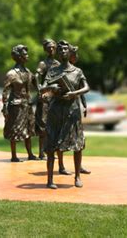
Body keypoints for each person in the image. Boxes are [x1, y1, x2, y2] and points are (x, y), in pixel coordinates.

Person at [41, 40, 90, 189]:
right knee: (51, 145)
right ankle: (50, 180)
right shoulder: (53, 71)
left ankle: (77, 176)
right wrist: (51, 87)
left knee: (77, 145)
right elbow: (42, 89)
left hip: (72, 111)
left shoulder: (77, 71)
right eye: (60, 50)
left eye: (65, 50)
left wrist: (74, 93)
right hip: (56, 112)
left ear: (70, 53)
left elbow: (86, 87)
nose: (62, 52)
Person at [57, 44, 91, 175]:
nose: (76, 57)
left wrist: (82, 102)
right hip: (59, 109)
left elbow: (84, 89)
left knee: (77, 140)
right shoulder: (55, 70)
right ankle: (61, 166)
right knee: (59, 138)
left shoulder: (77, 71)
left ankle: (78, 171)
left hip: (74, 109)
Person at [2, 45, 38, 162]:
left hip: (27, 105)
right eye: (25, 54)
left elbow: (37, 85)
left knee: (28, 129)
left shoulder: (28, 72)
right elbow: (5, 91)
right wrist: (4, 107)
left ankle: (30, 154)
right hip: (16, 106)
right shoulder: (11, 74)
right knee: (14, 129)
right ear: (18, 57)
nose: (27, 56)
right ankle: (14, 155)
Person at [34, 39, 60, 159]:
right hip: (44, 97)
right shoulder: (43, 64)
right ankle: (41, 152)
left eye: (53, 47)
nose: (51, 49)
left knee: (54, 125)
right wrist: (39, 87)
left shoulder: (58, 64)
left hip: (54, 97)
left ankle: (51, 150)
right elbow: (36, 75)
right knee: (43, 125)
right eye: (49, 47)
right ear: (45, 49)